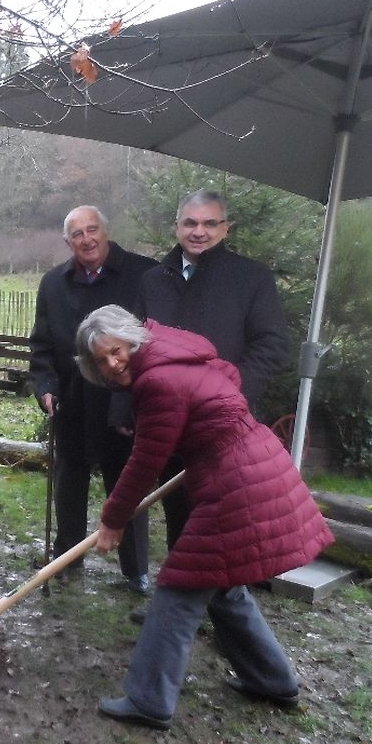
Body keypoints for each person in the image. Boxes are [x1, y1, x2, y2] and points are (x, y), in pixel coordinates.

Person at [75, 305, 333, 729]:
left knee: (179, 588)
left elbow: (145, 461)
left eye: (116, 351)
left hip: (237, 482)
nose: (112, 364)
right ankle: (272, 679)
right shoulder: (173, 349)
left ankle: (149, 700)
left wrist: (113, 519)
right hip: (252, 464)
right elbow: (229, 378)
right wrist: (205, 434)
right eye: (101, 360)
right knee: (221, 585)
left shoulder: (156, 380)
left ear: (131, 340)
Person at [133, 189, 290, 619]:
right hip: (171, 422)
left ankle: (221, 612)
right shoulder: (154, 281)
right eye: (190, 223)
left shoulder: (250, 278)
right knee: (177, 514)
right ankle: (180, 608)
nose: (198, 232)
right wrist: (131, 410)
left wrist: (232, 391)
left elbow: (271, 344)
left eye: (209, 224)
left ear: (225, 229)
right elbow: (137, 348)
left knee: (221, 522)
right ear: (176, 227)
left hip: (225, 425)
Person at [29, 205, 157, 593]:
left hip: (123, 401)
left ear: (105, 231)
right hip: (72, 400)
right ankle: (67, 557)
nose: (86, 240)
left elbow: (151, 341)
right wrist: (45, 386)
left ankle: (135, 569)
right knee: (69, 483)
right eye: (77, 234)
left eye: (92, 230)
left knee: (127, 485)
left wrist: (131, 400)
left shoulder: (142, 274)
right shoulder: (53, 283)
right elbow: (42, 346)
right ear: (67, 242)